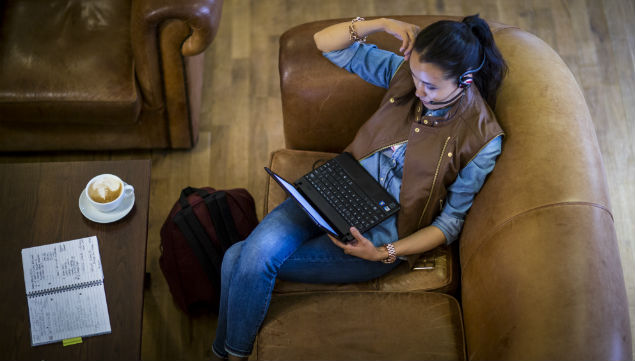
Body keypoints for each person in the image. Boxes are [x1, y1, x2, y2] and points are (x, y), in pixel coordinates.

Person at [212, 14, 507, 360]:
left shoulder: (482, 140)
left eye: (430, 86)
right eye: (415, 76)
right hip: (333, 188)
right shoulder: (405, 76)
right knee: (244, 257)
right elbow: (326, 45)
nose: (417, 90)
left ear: (465, 81)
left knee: (239, 258)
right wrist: (379, 23)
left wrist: (385, 254)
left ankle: (228, 354)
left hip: (376, 238)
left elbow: (450, 223)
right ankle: (227, 354)